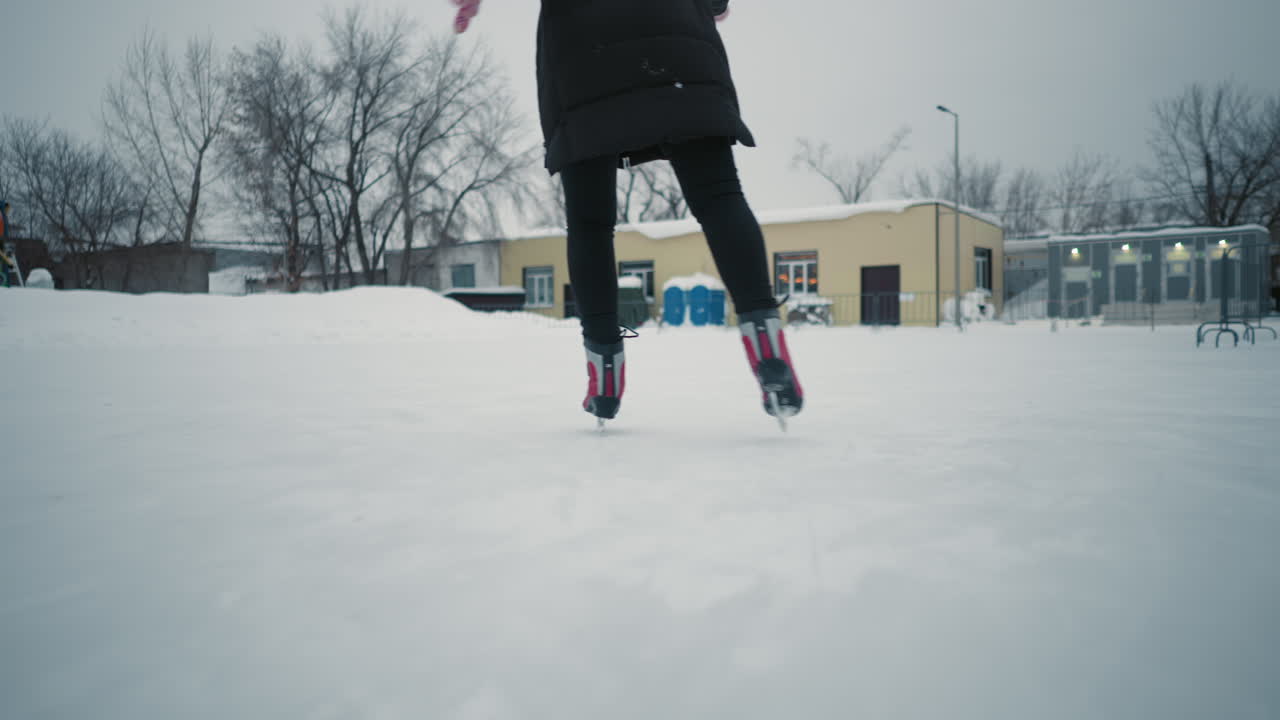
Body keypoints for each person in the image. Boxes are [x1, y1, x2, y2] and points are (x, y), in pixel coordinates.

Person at [453, 0, 802, 424]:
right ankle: (767, 347)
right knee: (720, 197)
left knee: (589, 223)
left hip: (585, 55)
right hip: (678, 46)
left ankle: (604, 377)